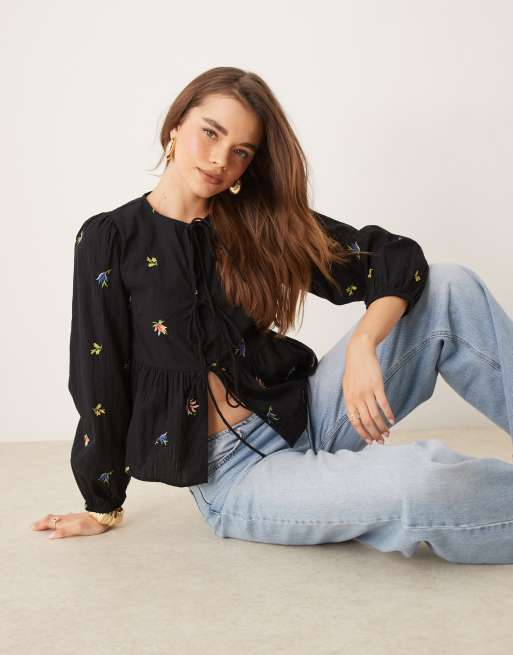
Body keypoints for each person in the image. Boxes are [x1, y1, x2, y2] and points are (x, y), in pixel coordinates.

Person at [32, 67, 513, 564]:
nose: (221, 160)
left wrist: (364, 343)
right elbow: (98, 376)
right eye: (210, 133)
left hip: (308, 411)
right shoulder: (110, 238)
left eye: (241, 151)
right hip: (239, 475)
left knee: (450, 286)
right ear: (175, 125)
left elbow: (393, 258)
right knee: (420, 483)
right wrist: (102, 503)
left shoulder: (256, 222)